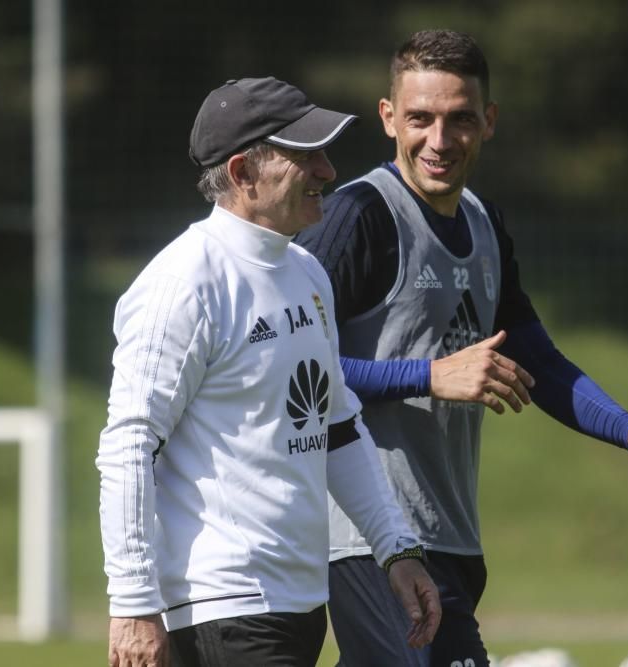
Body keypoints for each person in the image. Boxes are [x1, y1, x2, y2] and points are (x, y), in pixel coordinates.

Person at [294, 30, 628, 667]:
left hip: (451, 537)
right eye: (420, 119)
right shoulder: (359, 216)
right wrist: (428, 376)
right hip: (370, 535)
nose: (439, 141)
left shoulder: (486, 224)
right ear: (389, 119)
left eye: (460, 119)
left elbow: (539, 363)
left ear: (488, 122)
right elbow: (292, 370)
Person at [97, 76, 441, 667]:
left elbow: (336, 426)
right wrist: (133, 601)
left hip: (301, 604)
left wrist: (395, 548)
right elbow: (129, 443)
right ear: (241, 174)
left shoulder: (306, 274)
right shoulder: (183, 283)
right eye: (306, 156)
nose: (328, 171)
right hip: (221, 605)